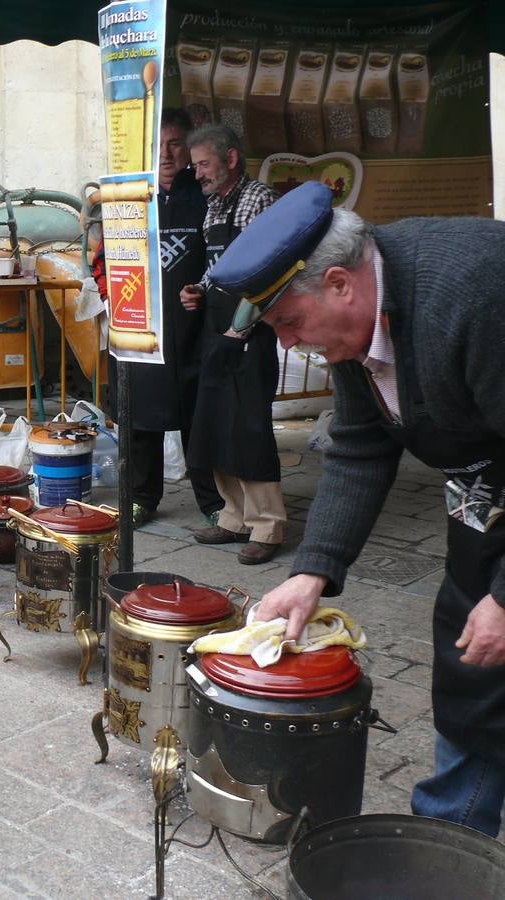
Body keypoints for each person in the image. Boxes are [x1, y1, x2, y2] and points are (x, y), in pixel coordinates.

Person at [215, 180, 505, 837]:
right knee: (474, 660)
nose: (288, 344)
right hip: (484, 497)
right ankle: (451, 836)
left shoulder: (478, 291)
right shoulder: (354, 325)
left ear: (341, 283)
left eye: (289, 323)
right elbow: (359, 447)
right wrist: (310, 571)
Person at [95, 108, 222, 526]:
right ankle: (141, 498)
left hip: (194, 329)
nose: (166, 155)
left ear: (189, 149)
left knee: (200, 416)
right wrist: (113, 295)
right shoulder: (130, 197)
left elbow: (226, 254)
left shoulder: (206, 197)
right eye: (158, 146)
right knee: (139, 416)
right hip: (140, 328)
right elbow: (101, 261)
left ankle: (214, 500)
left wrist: (207, 292)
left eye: (175, 145)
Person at [179, 122, 284, 565]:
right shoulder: (213, 205)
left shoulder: (258, 199)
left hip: (248, 330)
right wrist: (198, 290)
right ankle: (234, 516)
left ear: (231, 159)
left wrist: (239, 328)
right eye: (195, 165)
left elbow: (270, 272)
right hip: (216, 328)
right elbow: (218, 267)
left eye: (204, 163)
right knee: (214, 422)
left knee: (248, 428)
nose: (197, 173)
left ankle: (268, 525)